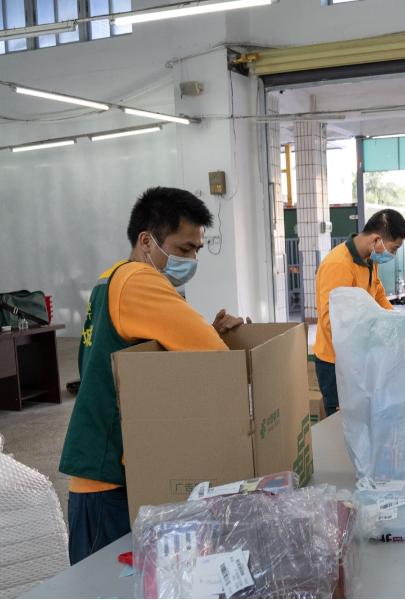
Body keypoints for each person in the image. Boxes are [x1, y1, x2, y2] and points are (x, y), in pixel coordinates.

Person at [59, 187, 249, 565]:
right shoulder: (141, 282)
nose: (193, 259)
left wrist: (207, 330)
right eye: (183, 249)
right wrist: (215, 338)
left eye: (197, 249)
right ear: (147, 241)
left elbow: (149, 357)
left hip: (99, 470)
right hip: (107, 477)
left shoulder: (109, 279)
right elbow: (215, 360)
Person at [313, 209, 405, 416]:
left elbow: (379, 295)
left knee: (362, 420)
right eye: (393, 249)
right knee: (343, 426)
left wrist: (397, 323)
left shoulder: (368, 260)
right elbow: (331, 322)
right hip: (335, 363)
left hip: (358, 356)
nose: (392, 255)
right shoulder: (338, 265)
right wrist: (373, 332)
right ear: (376, 240)